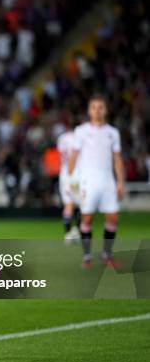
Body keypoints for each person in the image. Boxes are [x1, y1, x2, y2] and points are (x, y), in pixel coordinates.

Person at [68, 95, 125, 269]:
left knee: (113, 218)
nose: (97, 110)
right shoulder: (81, 131)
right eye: (94, 107)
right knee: (87, 219)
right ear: (89, 111)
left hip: (108, 182)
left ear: (105, 110)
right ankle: (87, 257)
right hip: (88, 182)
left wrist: (120, 182)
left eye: (100, 107)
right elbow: (74, 156)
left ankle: (106, 255)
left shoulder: (113, 133)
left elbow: (117, 159)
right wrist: (71, 180)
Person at [57, 127, 80, 243]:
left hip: (64, 173)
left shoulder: (62, 138)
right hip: (76, 173)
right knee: (81, 204)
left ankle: (68, 233)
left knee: (68, 204)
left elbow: (61, 154)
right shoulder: (80, 137)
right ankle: (78, 231)